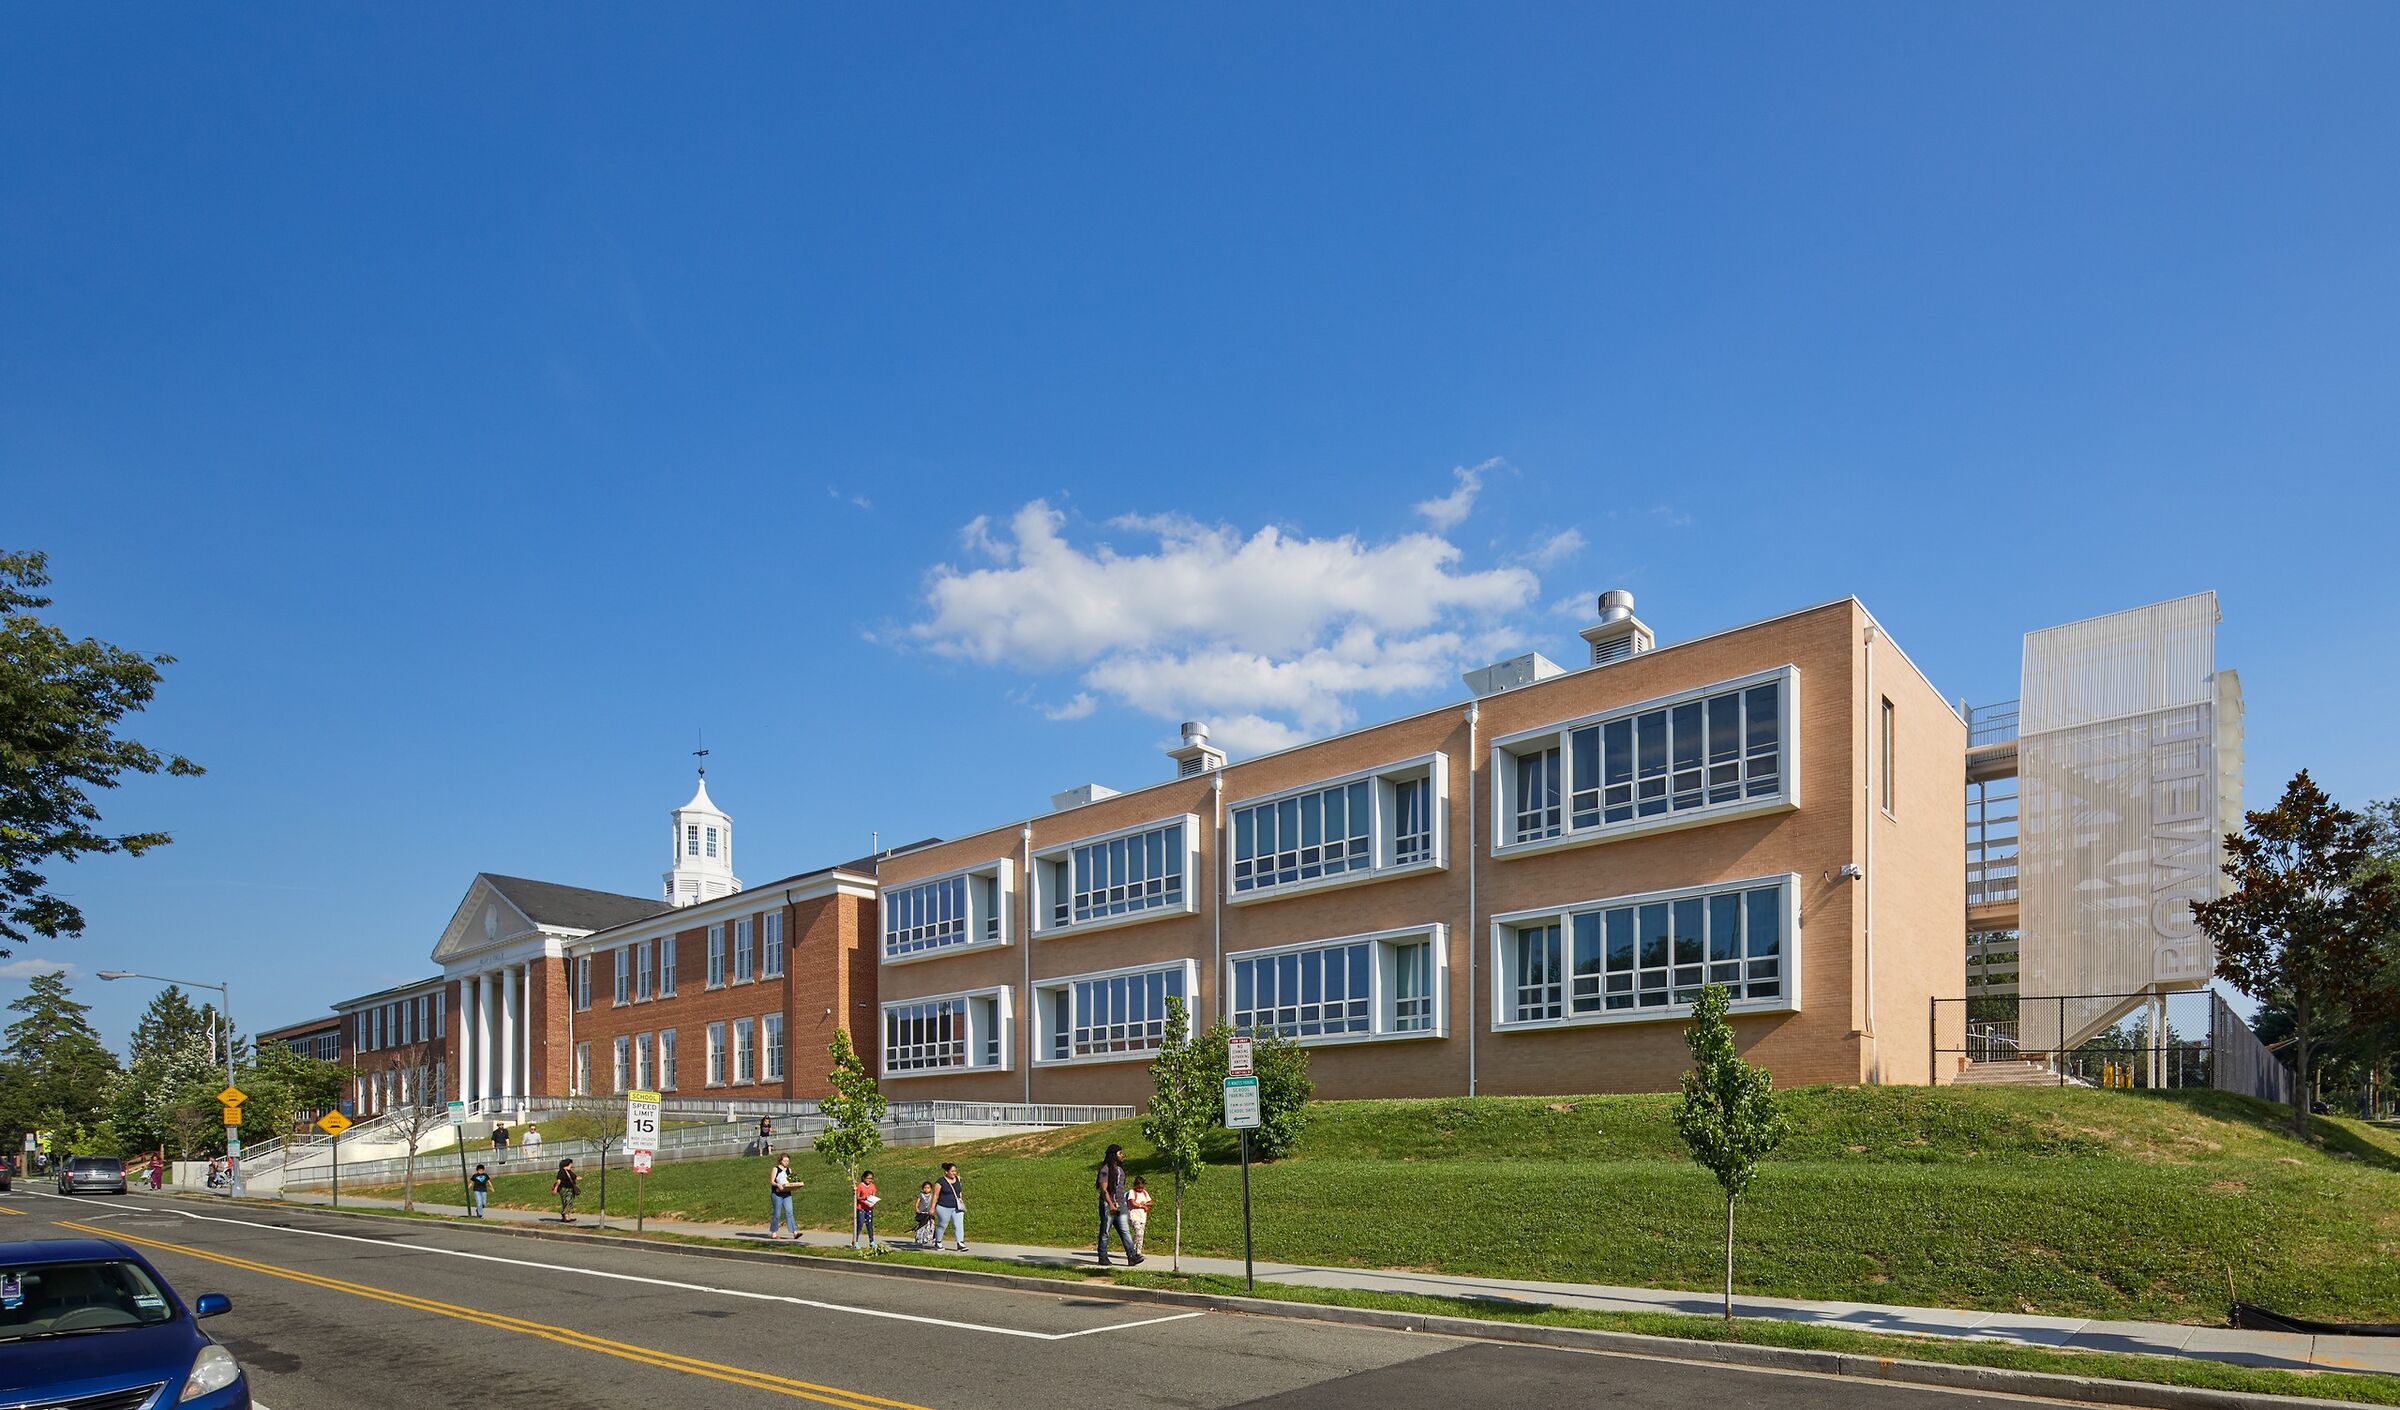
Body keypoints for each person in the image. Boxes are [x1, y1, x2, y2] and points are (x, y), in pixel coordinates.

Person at [1095, 1144, 1142, 1266]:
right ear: (1114, 1155)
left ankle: (1132, 1257)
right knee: (1105, 1232)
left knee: (1125, 1231)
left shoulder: (1120, 1170)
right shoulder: (1105, 1169)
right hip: (1108, 1205)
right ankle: (1103, 1257)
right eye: (1120, 1153)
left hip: (1121, 1205)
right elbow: (1104, 1190)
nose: (1123, 1156)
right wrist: (1110, 1204)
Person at [935, 1161, 967, 1251]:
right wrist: (932, 1208)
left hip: (957, 1207)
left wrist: (961, 1201)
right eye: (952, 1171)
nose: (954, 1173)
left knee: (959, 1225)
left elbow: (959, 1191)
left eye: (955, 1171)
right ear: (946, 1172)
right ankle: (938, 1242)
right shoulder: (940, 1182)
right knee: (942, 1225)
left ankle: (960, 1243)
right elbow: (936, 1196)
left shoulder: (958, 1179)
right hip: (943, 1207)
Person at [768, 1154, 799, 1240]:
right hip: (777, 1194)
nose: (786, 1162)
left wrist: (796, 1185)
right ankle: (774, 1232)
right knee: (777, 1214)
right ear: (781, 1161)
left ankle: (794, 1232)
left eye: (788, 1161)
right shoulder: (776, 1169)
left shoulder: (789, 1170)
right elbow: (772, 1181)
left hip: (787, 1194)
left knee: (789, 1212)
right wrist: (778, 1185)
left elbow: (793, 1180)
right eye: (785, 1161)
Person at [852, 1169, 879, 1251]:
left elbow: (873, 1194)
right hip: (861, 1208)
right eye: (868, 1178)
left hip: (869, 1208)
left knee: (870, 1225)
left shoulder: (872, 1186)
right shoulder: (860, 1186)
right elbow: (857, 1197)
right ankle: (855, 1241)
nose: (869, 1180)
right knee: (860, 1224)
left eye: (871, 1179)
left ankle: (872, 1241)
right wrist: (864, 1198)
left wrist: (872, 1200)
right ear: (864, 1178)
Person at [1126, 1176, 1152, 1258]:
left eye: (1142, 1187)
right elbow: (1133, 1203)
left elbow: (1150, 1202)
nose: (1140, 1189)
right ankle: (1132, 1250)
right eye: (1139, 1187)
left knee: (1141, 1234)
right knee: (1138, 1233)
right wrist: (1142, 1206)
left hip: (1142, 1217)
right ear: (1135, 1185)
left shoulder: (1144, 1192)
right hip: (1134, 1216)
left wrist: (1145, 1204)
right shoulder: (1132, 1192)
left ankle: (1137, 1251)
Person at [552, 1157, 579, 1223]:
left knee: (568, 1202)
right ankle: (565, 1214)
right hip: (564, 1189)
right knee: (567, 1201)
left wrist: (578, 1178)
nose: (571, 1165)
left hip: (570, 1189)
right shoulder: (561, 1172)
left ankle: (566, 1217)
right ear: (566, 1164)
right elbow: (558, 1181)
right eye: (570, 1164)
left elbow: (575, 1177)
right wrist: (555, 1189)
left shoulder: (569, 1171)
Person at [913, 1181, 937, 1248]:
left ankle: (934, 1239)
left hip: (930, 1213)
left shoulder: (932, 1195)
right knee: (921, 1226)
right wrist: (916, 1209)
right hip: (922, 1213)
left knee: (931, 1226)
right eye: (925, 1188)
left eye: (928, 1188)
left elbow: (934, 1203)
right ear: (922, 1188)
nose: (926, 1189)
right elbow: (917, 1202)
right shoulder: (921, 1195)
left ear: (931, 1189)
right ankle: (919, 1239)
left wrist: (934, 1210)